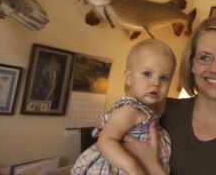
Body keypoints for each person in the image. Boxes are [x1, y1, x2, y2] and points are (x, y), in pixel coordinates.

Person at [123, 16, 216, 175]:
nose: (215, 68)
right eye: (204, 57)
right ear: (192, 65)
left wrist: (152, 166)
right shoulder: (150, 110)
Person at [72, 38, 176, 175]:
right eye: (147, 74)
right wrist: (132, 167)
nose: (156, 83)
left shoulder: (152, 109)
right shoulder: (130, 109)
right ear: (128, 78)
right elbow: (105, 140)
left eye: (164, 78)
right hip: (122, 168)